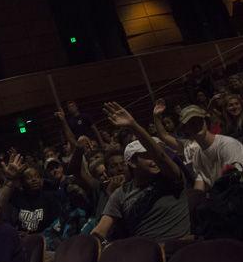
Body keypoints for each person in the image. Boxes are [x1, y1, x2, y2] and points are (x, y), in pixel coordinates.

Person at [90, 102, 190, 243]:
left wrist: (133, 125)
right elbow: (100, 231)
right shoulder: (121, 193)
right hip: (143, 256)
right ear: (132, 162)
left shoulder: (171, 177)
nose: (154, 159)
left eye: (153, 154)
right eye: (147, 156)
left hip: (178, 250)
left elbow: (160, 156)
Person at [178, 105, 243, 191]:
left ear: (205, 121)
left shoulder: (227, 145)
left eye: (198, 120)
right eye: (189, 124)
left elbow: (235, 182)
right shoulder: (197, 156)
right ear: (186, 130)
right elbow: (200, 185)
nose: (195, 125)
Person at [0, 156, 61, 235]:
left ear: (41, 180)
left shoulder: (49, 197)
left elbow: (56, 224)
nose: (34, 179)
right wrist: (9, 178)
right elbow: (2, 197)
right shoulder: (19, 197)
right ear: (22, 183)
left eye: (37, 176)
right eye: (29, 177)